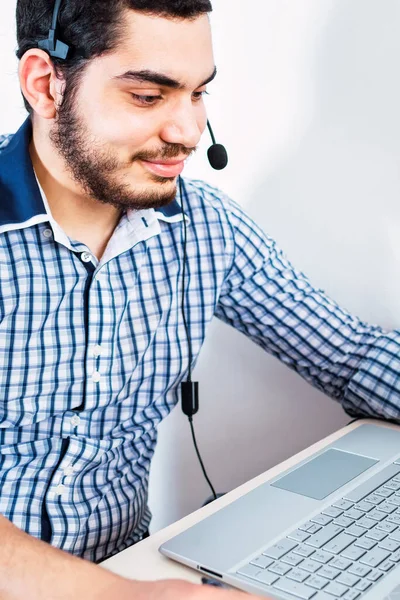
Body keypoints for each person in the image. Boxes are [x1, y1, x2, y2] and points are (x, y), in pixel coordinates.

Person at [1, 0, 400, 598]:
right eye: (148, 96)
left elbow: (350, 355)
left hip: (134, 569)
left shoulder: (206, 227)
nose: (187, 132)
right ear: (45, 83)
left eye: (196, 93)